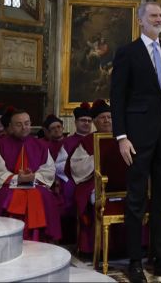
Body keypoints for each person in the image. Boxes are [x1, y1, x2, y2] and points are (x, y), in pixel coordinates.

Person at [110, 1, 161, 283]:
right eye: (153, 15)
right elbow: (117, 97)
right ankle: (134, 263)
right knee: (136, 199)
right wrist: (121, 137)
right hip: (137, 137)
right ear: (140, 21)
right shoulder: (127, 52)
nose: (159, 19)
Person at [0, 109, 62, 241]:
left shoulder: (41, 145)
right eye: (19, 124)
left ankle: (39, 239)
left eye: (26, 123)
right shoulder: (2, 145)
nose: (24, 127)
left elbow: (49, 170)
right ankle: (7, 239)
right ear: (10, 126)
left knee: (44, 196)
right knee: (6, 197)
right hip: (10, 185)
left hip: (35, 184)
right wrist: (17, 178)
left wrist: (34, 177)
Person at [67, 99, 113, 253]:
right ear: (95, 121)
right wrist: (99, 158)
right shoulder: (87, 141)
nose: (107, 120)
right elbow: (77, 167)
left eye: (109, 117)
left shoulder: (122, 139)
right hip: (94, 182)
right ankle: (95, 247)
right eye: (102, 117)